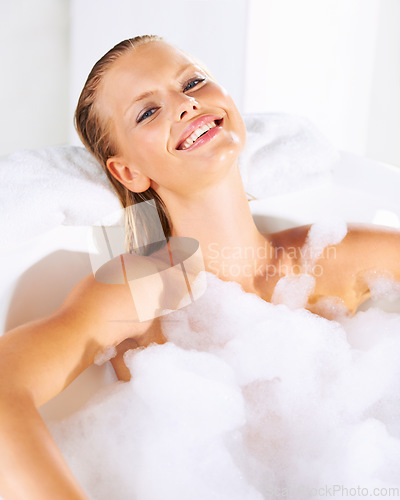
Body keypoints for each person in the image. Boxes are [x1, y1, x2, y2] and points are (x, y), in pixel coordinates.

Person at [0, 34, 399, 500]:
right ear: (128, 173)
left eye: (193, 81)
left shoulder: (331, 254)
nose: (185, 103)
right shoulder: (153, 282)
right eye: (147, 112)